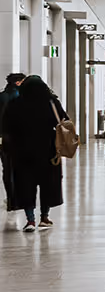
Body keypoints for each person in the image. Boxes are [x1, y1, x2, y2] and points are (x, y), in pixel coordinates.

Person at [1, 76, 67, 232]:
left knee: (25, 185)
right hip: (48, 151)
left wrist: (8, 149)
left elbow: (6, 128)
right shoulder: (51, 103)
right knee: (47, 184)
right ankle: (44, 217)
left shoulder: (15, 104)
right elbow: (64, 121)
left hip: (22, 153)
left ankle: (30, 220)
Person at [0, 73, 21, 222]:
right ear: (18, 83)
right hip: (18, 139)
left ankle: (10, 200)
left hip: (3, 139)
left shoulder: (1, 96)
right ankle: (17, 200)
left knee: (6, 169)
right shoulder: (21, 97)